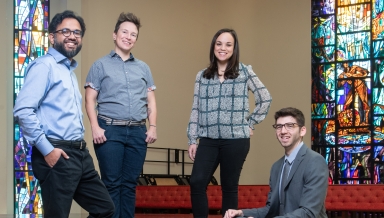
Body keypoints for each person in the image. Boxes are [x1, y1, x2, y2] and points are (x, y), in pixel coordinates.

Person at [13, 10, 115, 218]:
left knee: (105, 209)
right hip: (56, 152)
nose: (72, 36)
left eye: (77, 32)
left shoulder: (68, 71)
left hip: (79, 153)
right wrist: (47, 150)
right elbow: (23, 110)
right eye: (65, 31)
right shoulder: (45, 66)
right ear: (52, 37)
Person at [187, 28, 272, 218]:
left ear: (234, 48)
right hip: (208, 139)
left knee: (229, 186)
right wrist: (192, 139)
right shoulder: (202, 76)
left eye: (228, 44)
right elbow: (196, 108)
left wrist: (250, 123)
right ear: (213, 46)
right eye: (219, 44)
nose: (223, 48)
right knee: (197, 182)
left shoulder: (244, 72)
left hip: (235, 140)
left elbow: (265, 98)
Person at [84, 12, 157, 218]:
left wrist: (153, 126)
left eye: (133, 34)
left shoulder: (143, 68)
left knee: (129, 184)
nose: (129, 36)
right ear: (114, 35)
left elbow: (151, 101)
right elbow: (90, 99)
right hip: (109, 131)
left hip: (137, 132)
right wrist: (95, 126)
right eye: (124, 32)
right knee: (111, 184)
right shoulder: (100, 65)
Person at [224, 107, 328, 218]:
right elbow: (271, 209)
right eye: (279, 126)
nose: (283, 131)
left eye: (290, 126)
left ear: (302, 130)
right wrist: (241, 213)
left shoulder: (315, 161)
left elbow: (308, 213)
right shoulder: (276, 167)